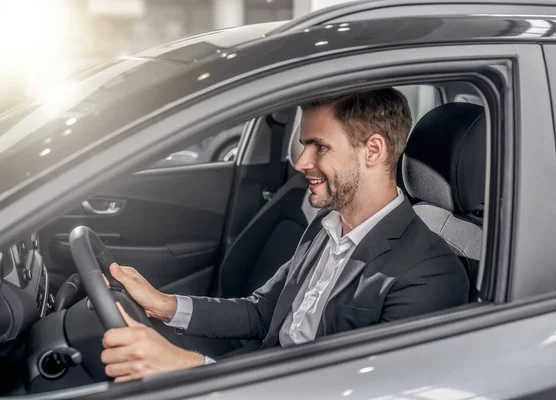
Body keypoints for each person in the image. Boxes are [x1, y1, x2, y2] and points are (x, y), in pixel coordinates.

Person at [100, 88, 470, 382]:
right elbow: (262, 312)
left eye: (319, 146)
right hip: (258, 370)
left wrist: (193, 370)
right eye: (304, 144)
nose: (301, 161)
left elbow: (358, 391)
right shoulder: (325, 227)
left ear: (373, 149)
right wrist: (164, 304)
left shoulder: (430, 273)